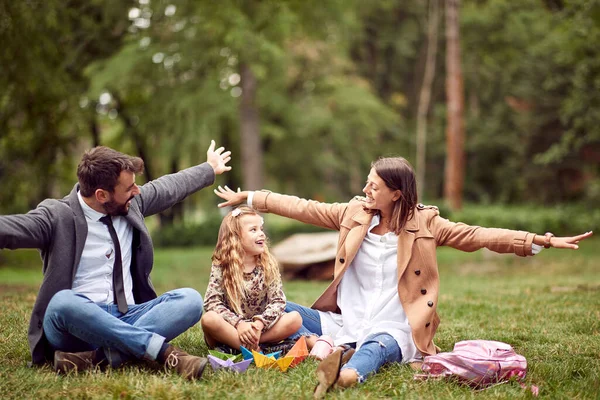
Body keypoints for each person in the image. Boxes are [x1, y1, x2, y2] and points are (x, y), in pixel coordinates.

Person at [214, 157, 593, 397]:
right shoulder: (353, 213)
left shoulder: (427, 224)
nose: (365, 190)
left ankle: (347, 375)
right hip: (344, 318)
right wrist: (249, 197)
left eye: (373, 186)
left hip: (394, 325)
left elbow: (478, 235)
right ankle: (251, 341)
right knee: (287, 314)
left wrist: (537, 240)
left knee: (377, 348)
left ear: (396, 193)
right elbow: (302, 207)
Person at [0, 140, 231, 380]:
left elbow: (168, 187)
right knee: (62, 303)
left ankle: (96, 359)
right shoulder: (56, 216)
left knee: (190, 300)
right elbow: (13, 228)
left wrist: (208, 168)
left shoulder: (132, 204)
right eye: (129, 188)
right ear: (101, 195)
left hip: (129, 315)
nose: (137, 191)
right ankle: (158, 351)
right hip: (77, 325)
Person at [201, 206, 302, 353]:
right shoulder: (221, 265)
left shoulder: (268, 264)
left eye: (261, 229)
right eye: (253, 230)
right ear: (235, 237)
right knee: (209, 319)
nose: (261, 234)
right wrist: (239, 324)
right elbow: (212, 302)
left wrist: (260, 324)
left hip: (260, 329)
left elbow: (278, 301)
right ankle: (258, 349)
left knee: (295, 319)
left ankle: (244, 346)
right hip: (231, 327)